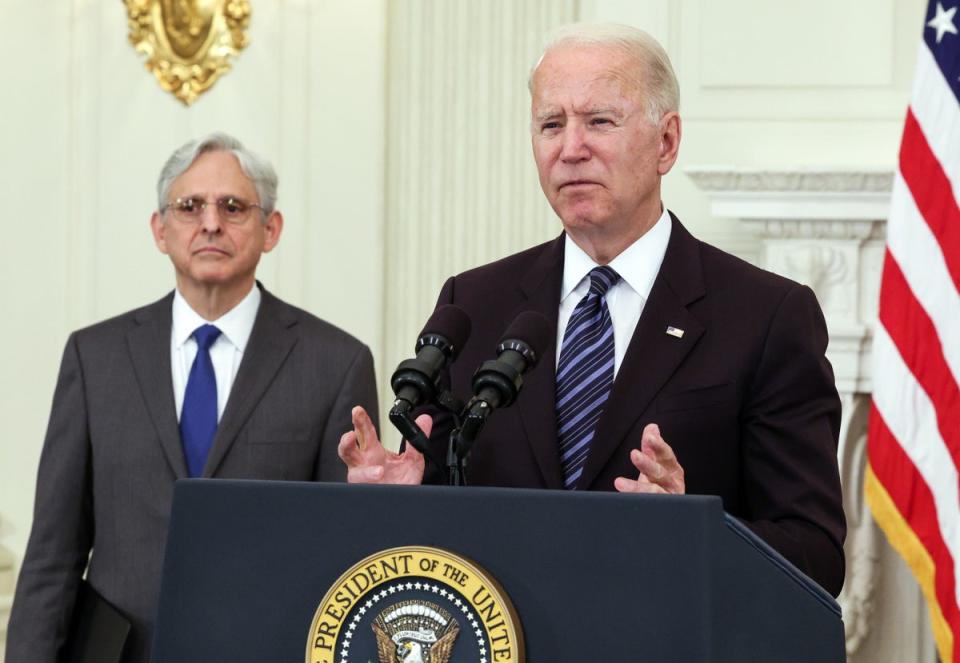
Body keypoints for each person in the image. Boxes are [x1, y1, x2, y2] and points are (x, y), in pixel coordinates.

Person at [339, 23, 845, 597]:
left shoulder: (767, 314)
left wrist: (696, 533)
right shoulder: (475, 303)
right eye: (551, 124)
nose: (570, 148)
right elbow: (447, 518)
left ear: (666, 142)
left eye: (599, 121)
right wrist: (393, 507)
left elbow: (817, 554)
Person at [6, 133, 379, 662]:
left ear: (270, 229)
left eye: (233, 206)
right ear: (161, 230)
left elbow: (342, 556)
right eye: (189, 207)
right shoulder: (96, 357)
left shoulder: (335, 363)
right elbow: (52, 554)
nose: (210, 223)